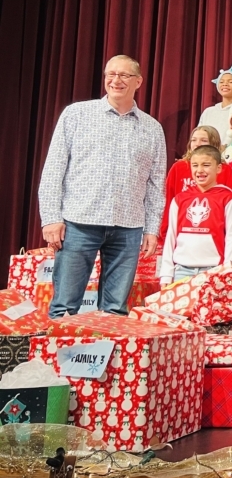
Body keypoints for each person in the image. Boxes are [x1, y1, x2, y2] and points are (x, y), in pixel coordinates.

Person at [39, 54, 167, 317]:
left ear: (138, 81)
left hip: (128, 226)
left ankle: (108, 345)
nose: (116, 80)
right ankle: (59, 345)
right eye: (111, 74)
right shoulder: (77, 114)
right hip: (79, 222)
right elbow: (54, 168)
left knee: (115, 310)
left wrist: (152, 229)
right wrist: (51, 217)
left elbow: (156, 184)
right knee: (64, 306)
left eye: (124, 75)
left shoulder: (152, 128)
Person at [159, 145, 232, 285]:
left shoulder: (228, 198)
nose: (200, 170)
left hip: (214, 270)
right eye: (195, 165)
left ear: (218, 168)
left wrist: (229, 272)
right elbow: (171, 236)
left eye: (206, 165)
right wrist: (166, 273)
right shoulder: (180, 199)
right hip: (181, 271)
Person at [159, 125, 232, 240]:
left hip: (214, 233)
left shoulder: (224, 169)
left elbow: (231, 205)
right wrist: (164, 232)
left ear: (214, 144)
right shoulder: (178, 167)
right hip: (181, 231)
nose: (197, 144)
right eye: (193, 140)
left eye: (203, 140)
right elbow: (168, 200)